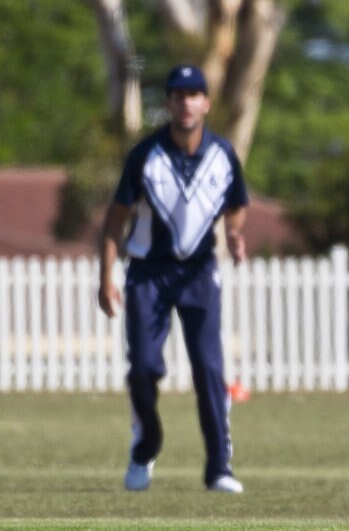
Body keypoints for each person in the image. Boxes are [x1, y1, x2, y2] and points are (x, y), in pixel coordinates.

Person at [97, 65, 248, 493]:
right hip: (148, 271)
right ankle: (145, 445)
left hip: (199, 272)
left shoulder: (222, 154)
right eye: (178, 95)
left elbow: (237, 204)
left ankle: (219, 465)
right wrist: (106, 276)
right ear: (168, 102)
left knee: (208, 367)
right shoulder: (145, 155)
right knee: (143, 368)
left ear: (206, 102)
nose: (186, 102)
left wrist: (235, 234)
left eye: (194, 94)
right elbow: (115, 220)